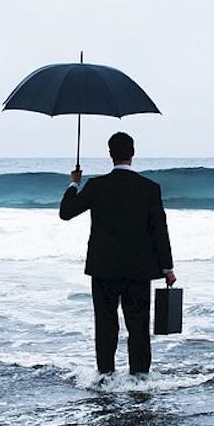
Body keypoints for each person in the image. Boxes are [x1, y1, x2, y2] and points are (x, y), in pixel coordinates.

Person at [60, 132, 176, 376]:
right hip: (138, 268)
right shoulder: (149, 188)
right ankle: (140, 379)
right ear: (133, 153)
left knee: (105, 323)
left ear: (110, 154)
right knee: (138, 325)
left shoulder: (96, 186)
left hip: (103, 267)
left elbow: (66, 213)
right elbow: (159, 231)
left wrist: (74, 184)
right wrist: (167, 268)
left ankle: (106, 376)